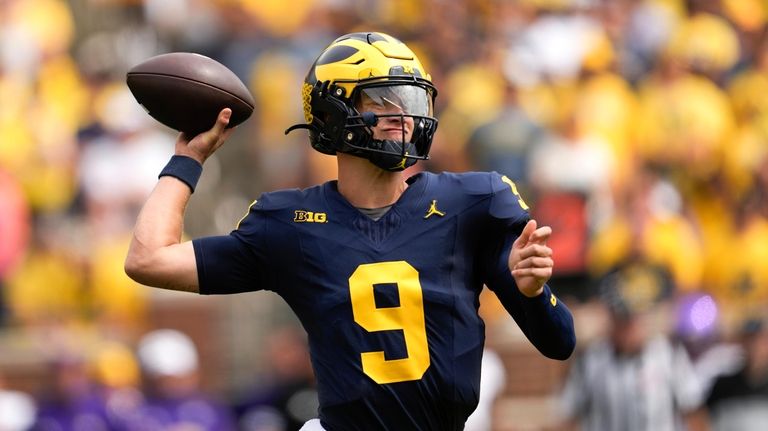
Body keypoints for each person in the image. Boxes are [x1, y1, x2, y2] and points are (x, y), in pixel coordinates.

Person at [125, 31, 576, 430]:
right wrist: (188, 159)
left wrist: (534, 294)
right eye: (383, 101)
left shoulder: (474, 203)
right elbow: (148, 259)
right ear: (332, 113)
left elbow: (559, 343)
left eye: (410, 101)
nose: (403, 116)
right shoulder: (290, 224)